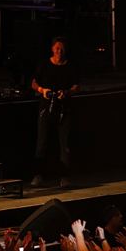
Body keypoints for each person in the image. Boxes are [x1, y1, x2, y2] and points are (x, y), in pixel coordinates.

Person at [30, 37, 80, 188]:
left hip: (64, 109)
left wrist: (67, 93)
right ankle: (38, 175)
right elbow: (33, 82)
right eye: (57, 48)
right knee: (42, 142)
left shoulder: (70, 66)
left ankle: (65, 177)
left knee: (65, 144)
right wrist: (41, 90)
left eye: (62, 48)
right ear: (52, 49)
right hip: (46, 107)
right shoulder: (44, 65)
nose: (59, 51)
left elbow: (77, 85)